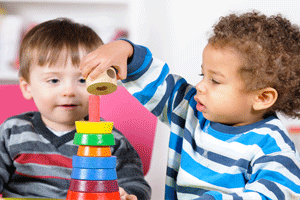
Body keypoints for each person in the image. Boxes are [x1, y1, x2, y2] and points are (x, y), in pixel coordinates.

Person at [80, 11, 300, 200]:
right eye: (202, 74)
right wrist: (126, 51)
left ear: (262, 98)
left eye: (215, 80)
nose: (200, 86)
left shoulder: (272, 146)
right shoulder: (192, 110)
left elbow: (271, 194)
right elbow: (157, 84)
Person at [0, 18, 151, 200]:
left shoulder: (110, 140)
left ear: (99, 84)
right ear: (27, 87)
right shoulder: (12, 132)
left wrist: (128, 195)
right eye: (54, 80)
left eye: (82, 80)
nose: (69, 91)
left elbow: (135, 183)